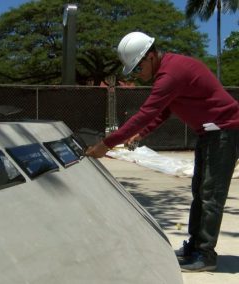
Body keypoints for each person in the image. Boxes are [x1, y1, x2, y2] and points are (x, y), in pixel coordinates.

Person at [85, 31, 239, 272]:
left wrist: (108, 143)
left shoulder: (171, 74)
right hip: (210, 133)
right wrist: (144, 132)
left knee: (211, 195)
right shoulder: (170, 68)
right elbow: (165, 110)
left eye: (137, 68)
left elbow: (146, 112)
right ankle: (195, 246)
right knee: (200, 191)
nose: (138, 74)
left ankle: (205, 254)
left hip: (224, 133)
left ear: (150, 56)